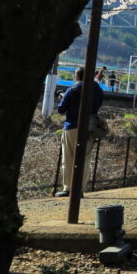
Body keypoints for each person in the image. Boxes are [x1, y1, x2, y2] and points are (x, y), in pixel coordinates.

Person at [54, 66, 105, 197]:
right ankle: (80, 189)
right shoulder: (98, 90)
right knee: (85, 159)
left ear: (77, 76)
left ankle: (68, 188)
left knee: (69, 157)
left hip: (72, 126)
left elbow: (61, 109)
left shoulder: (73, 89)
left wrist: (62, 98)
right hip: (90, 128)